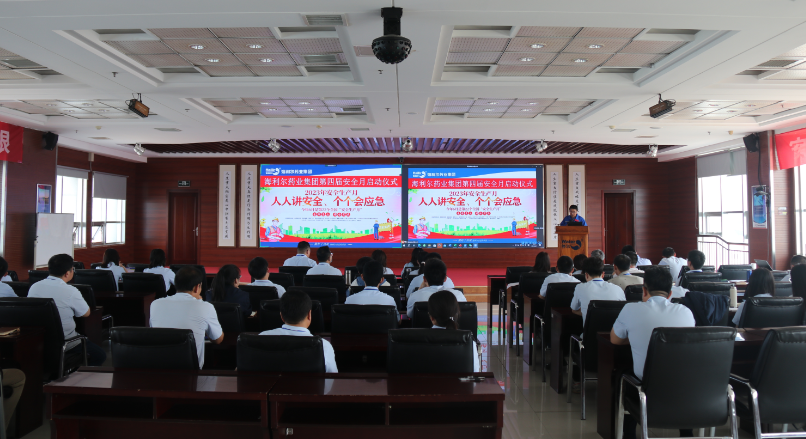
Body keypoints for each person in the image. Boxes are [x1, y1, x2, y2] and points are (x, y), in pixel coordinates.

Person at [611, 267, 696, 439]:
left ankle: (629, 433)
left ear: (644, 290)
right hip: (683, 386)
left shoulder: (631, 309)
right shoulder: (685, 312)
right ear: (670, 293)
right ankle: (686, 433)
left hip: (646, 386)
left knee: (623, 373)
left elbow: (615, 340)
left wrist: (636, 336)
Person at [29, 254, 107, 366]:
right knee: (100, 355)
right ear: (67, 273)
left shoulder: (34, 287)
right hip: (66, 342)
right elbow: (86, 313)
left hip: (39, 340)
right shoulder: (71, 290)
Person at [150, 266, 223, 369]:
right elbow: (217, 339)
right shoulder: (206, 307)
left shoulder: (155, 304)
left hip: (160, 368)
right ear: (197, 287)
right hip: (190, 372)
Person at [258, 290, 337, 372]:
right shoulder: (323, 346)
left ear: (281, 316)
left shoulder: (262, 337)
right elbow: (331, 377)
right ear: (309, 315)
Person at [428, 290, 480, 372]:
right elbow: (474, 371)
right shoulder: (468, 342)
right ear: (457, 314)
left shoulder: (417, 340)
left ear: (431, 318)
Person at [571, 257, 625, 325]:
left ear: (586, 275)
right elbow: (624, 312)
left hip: (590, 331)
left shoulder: (580, 287)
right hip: (613, 331)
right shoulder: (618, 289)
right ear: (603, 274)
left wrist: (588, 313)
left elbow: (574, 309)